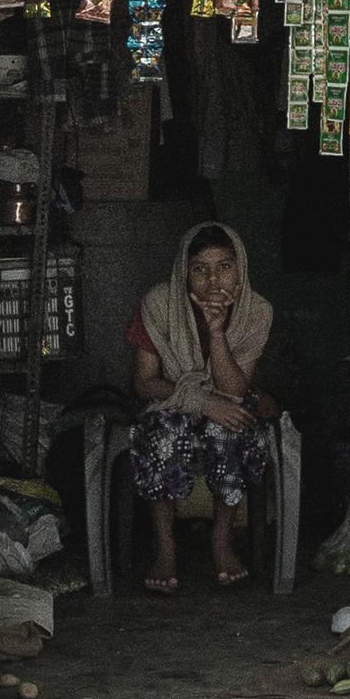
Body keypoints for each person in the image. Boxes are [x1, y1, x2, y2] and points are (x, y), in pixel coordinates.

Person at [126, 221, 279, 592]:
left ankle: (221, 540)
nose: (214, 281)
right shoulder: (159, 304)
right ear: (184, 272)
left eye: (224, 267)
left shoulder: (256, 310)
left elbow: (234, 389)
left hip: (227, 401)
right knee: (162, 433)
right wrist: (199, 400)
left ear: (239, 268)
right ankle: (165, 547)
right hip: (172, 404)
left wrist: (217, 332)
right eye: (201, 269)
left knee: (232, 428)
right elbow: (145, 382)